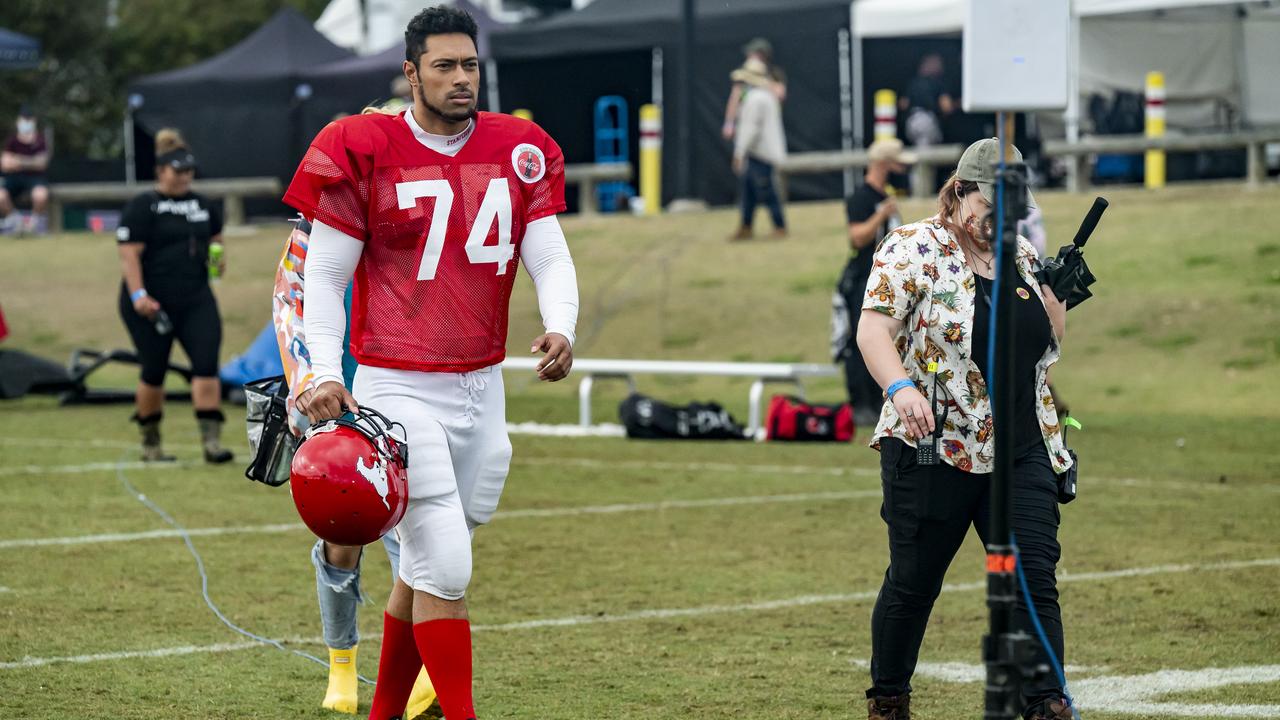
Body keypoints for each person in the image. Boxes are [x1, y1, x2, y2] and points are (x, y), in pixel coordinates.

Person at [283, 6, 579, 720]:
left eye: (469, 65)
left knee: (426, 562)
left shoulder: (518, 147)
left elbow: (548, 249)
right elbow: (322, 277)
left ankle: (385, 712)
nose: (460, 79)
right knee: (445, 561)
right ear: (410, 71)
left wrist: (561, 324)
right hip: (396, 382)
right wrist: (323, 372)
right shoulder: (363, 145)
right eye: (444, 66)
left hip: (482, 382)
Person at [855, 137, 1073, 720]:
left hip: (1022, 446)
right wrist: (900, 388)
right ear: (960, 192)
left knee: (1033, 578)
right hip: (936, 443)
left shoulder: (1021, 254)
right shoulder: (910, 249)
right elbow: (873, 330)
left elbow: (1044, 344)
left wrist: (1057, 298)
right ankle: (889, 698)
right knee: (914, 581)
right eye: (989, 207)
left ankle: (1045, 702)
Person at [272, 211, 438, 717]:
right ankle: (341, 664)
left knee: (422, 535)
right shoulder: (312, 224)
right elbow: (288, 303)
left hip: (405, 392)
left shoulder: (417, 207)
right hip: (330, 398)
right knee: (342, 537)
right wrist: (308, 386)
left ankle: (425, 668)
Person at [116, 128, 233, 464]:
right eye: (177, 171)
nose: (184, 177)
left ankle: (211, 444)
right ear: (161, 171)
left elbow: (216, 240)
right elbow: (129, 255)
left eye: (189, 171)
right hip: (151, 304)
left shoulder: (202, 205)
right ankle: (151, 442)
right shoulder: (144, 206)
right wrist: (139, 295)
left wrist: (215, 265)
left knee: (206, 365)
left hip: (195, 298)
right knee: (154, 369)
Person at [837, 138, 915, 426]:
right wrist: (881, 214)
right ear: (884, 164)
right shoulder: (862, 198)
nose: (902, 169)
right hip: (862, 279)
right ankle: (861, 404)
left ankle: (880, 398)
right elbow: (857, 237)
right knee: (863, 339)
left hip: (885, 279)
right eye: (898, 164)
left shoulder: (885, 195)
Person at [730, 57, 787, 240]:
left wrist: (739, 152)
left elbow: (750, 129)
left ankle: (779, 226)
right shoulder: (764, 96)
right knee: (749, 191)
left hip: (761, 153)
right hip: (760, 152)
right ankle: (746, 226)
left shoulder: (756, 99)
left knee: (766, 190)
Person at [721, 38, 786, 141]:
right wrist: (729, 123)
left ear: (762, 55)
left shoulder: (774, 73)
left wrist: (760, 81)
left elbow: (780, 95)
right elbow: (734, 99)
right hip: (746, 122)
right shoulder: (743, 75)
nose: (749, 56)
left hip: (768, 124)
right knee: (741, 152)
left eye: (752, 54)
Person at [0, 107, 51, 235]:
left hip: (35, 179)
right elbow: (4, 164)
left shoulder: (40, 141)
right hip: (14, 178)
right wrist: (30, 162)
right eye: (23, 119)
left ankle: (31, 226)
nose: (26, 123)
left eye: (28, 119)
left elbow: (41, 164)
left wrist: (18, 161)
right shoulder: (12, 141)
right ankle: (18, 223)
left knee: (40, 195)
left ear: (33, 121)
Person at [900, 54, 955, 149]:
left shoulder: (913, 82)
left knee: (918, 150)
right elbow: (946, 107)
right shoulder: (938, 83)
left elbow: (903, 104)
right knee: (925, 156)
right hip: (926, 122)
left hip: (911, 122)